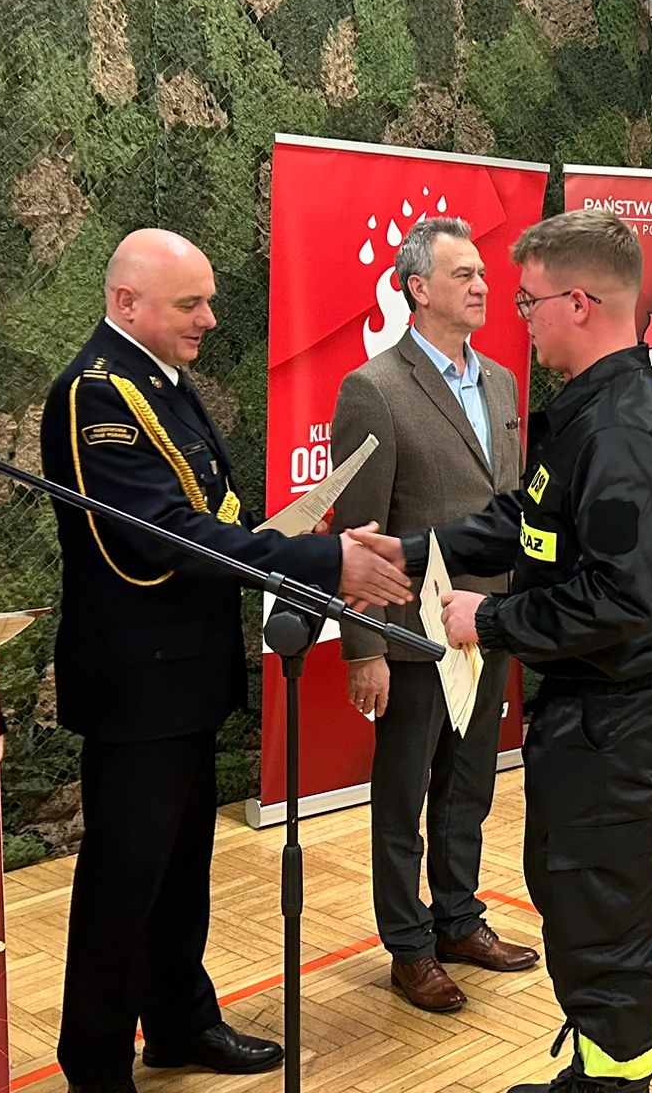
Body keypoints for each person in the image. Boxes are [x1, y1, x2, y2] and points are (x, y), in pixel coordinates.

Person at [40, 229, 413, 1093]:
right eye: (190, 303)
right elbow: (156, 537)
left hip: (187, 670)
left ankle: (178, 1023)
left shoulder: (160, 383)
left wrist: (296, 538)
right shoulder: (95, 395)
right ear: (126, 302)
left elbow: (211, 515)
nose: (210, 317)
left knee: (181, 871)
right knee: (125, 880)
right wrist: (321, 561)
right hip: (138, 681)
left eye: (207, 300)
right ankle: (96, 1060)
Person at [355, 208, 652, 1092]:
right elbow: (528, 519)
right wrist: (412, 551)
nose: (517, 314)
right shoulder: (595, 407)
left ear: (580, 303)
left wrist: (490, 621)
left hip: (618, 708)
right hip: (597, 705)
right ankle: (597, 1068)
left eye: (529, 300)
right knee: (575, 892)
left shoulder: (622, 428)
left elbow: (624, 596)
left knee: (600, 906)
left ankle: (613, 1082)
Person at [329, 217, 539, 1014]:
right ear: (418, 289)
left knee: (469, 786)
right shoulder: (374, 389)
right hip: (411, 635)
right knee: (402, 799)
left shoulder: (503, 384)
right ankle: (409, 947)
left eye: (483, 273)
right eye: (464, 275)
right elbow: (360, 533)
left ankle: (458, 921)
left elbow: (511, 507)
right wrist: (364, 649)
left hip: (488, 626)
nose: (483, 286)